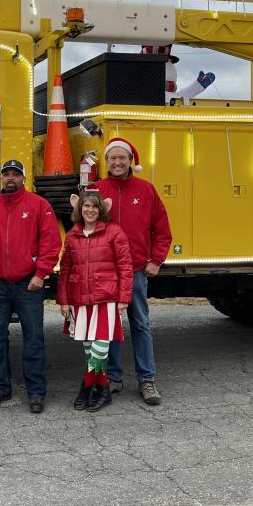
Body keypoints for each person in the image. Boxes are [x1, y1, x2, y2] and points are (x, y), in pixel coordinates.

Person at [0, 159, 62, 413]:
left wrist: (40, 274)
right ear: (1, 179)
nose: (10, 179)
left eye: (16, 174)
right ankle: (0, 388)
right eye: (6, 175)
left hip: (29, 285)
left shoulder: (39, 205)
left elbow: (51, 243)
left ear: (24, 178)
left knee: (34, 339)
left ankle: (36, 392)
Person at [95, 137, 172, 406]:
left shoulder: (146, 191)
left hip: (137, 270)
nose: (117, 162)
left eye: (122, 158)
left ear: (131, 161)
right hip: (106, 272)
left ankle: (147, 379)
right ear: (107, 162)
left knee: (140, 324)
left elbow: (162, 230)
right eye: (112, 158)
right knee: (111, 326)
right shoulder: (96, 191)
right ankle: (114, 377)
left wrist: (156, 260)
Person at [56, 191, 133, 412]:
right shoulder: (72, 235)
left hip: (106, 300)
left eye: (94, 207)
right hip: (80, 300)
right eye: (85, 206)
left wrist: (123, 298)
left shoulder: (114, 232)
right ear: (79, 209)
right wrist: (63, 301)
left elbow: (125, 267)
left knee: (100, 351)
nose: (90, 210)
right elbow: (65, 269)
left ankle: (86, 387)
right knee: (90, 351)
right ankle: (103, 390)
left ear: (101, 210)